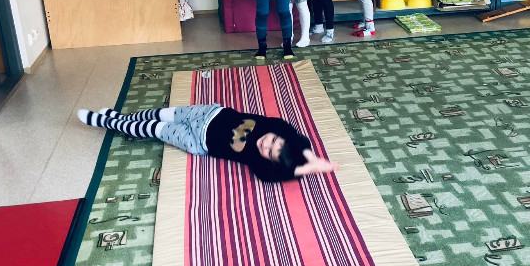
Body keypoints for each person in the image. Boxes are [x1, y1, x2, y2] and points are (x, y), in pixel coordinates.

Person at [77, 106, 338, 183]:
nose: (265, 145)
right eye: (272, 141)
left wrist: (306, 169)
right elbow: (295, 136)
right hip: (207, 113)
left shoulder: (257, 161)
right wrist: (311, 156)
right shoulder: (275, 126)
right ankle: (120, 118)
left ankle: (106, 122)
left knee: (154, 128)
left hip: (196, 141)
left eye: (269, 152)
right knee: (158, 114)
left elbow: (273, 175)